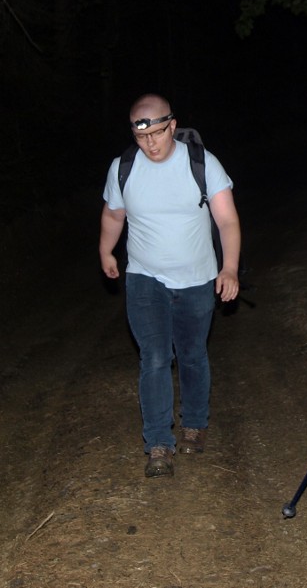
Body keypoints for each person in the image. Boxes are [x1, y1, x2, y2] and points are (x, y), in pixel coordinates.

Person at [99, 94, 241, 478]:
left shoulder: (202, 163)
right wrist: (106, 250)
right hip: (144, 277)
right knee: (155, 358)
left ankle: (195, 421)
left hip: (197, 279)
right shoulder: (123, 168)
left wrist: (229, 269)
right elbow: (114, 214)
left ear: (172, 126)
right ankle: (159, 442)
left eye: (158, 133)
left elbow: (226, 220)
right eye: (141, 136)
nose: (150, 143)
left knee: (193, 354)